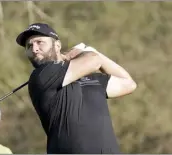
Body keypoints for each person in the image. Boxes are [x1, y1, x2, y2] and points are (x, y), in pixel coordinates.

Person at [16, 23, 137, 154]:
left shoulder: (92, 79)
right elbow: (93, 60)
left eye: (40, 42)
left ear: (57, 45)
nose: (34, 49)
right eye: (29, 46)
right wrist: (87, 52)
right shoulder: (42, 76)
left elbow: (128, 83)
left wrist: (95, 53)